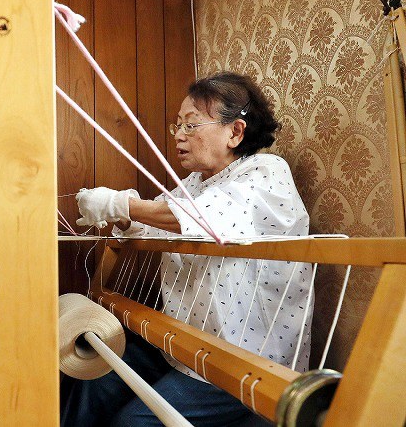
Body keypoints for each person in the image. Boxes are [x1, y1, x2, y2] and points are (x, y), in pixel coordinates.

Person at [65, 71, 311, 426]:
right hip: (184, 347)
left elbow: (203, 220)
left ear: (235, 132)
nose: (179, 136)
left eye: (191, 125)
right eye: (177, 126)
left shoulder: (265, 171)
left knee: (133, 423)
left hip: (242, 361)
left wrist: (120, 204)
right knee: (94, 379)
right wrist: (118, 214)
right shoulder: (196, 183)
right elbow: (155, 219)